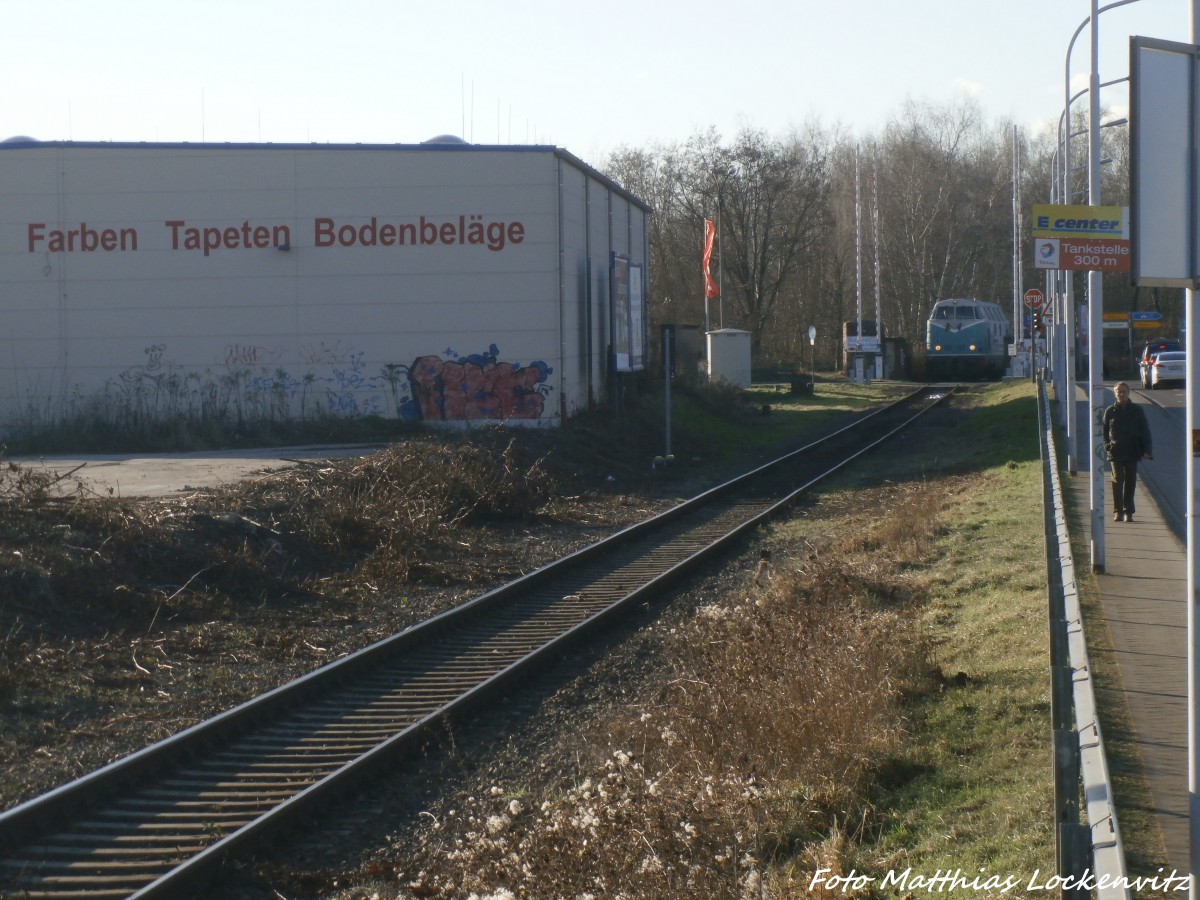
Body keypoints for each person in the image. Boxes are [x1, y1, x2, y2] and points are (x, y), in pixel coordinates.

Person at [1102, 382, 1153, 523]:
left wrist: (1147, 450)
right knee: (1118, 479)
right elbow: (1104, 431)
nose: (1121, 394)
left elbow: (1145, 431)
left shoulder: (1137, 410)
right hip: (1115, 451)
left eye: (1123, 391)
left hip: (1132, 450)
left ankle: (1128, 512)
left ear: (1129, 392)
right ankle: (1118, 511)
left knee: (1130, 481)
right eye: (1118, 392)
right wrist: (1107, 446)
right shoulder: (1110, 411)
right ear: (1115, 393)